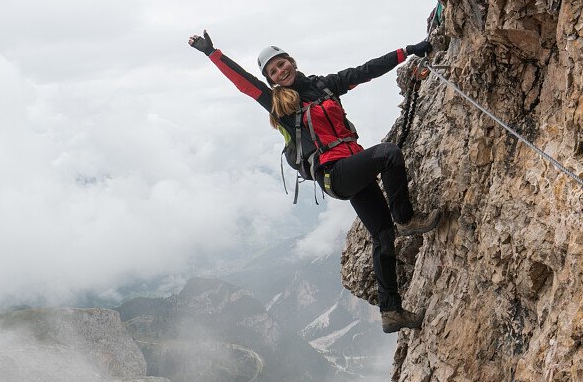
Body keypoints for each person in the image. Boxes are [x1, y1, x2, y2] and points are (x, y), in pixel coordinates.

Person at [188, 29, 441, 333]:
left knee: (383, 236)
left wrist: (407, 50)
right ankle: (407, 218)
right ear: (271, 79)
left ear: (290, 61)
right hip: (334, 174)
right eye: (273, 71)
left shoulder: (324, 86)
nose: (281, 71)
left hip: (353, 166)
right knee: (388, 155)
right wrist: (212, 53)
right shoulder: (279, 106)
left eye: (282, 63)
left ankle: (392, 312)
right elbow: (245, 84)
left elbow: (365, 71)